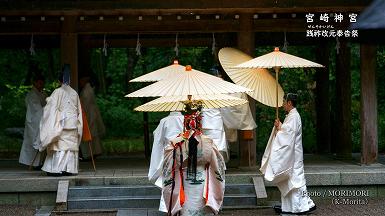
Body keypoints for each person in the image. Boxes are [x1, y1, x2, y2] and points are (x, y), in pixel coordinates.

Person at [161, 100, 226, 216]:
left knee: (186, 209)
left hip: (183, 184)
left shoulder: (176, 144)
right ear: (200, 121)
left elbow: (167, 171)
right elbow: (218, 170)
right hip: (202, 183)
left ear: (184, 121)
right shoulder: (208, 143)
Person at [260, 93, 316, 214]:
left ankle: (298, 207)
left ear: (289, 103)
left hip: (293, 155)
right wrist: (280, 127)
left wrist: (280, 127)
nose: (283, 104)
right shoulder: (291, 116)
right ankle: (296, 206)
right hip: (293, 154)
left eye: (284, 102)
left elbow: (288, 134)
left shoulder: (294, 116)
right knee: (294, 180)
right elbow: (287, 132)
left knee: (295, 180)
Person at [38, 64, 83, 176]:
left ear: (59, 80)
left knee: (60, 148)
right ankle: (68, 169)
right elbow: (78, 112)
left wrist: (48, 102)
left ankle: (56, 169)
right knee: (68, 148)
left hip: (61, 125)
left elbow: (51, 109)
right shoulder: (74, 93)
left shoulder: (57, 92)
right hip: (72, 124)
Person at [19, 75, 47, 168]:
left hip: (41, 119)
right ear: (34, 83)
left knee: (41, 141)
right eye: (39, 82)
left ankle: (39, 163)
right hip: (33, 121)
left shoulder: (43, 93)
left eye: (42, 83)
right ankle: (33, 163)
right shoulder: (32, 94)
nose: (41, 84)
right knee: (33, 142)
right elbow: (37, 109)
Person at [79, 76, 105, 160]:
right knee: (92, 135)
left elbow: (85, 105)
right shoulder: (87, 90)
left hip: (88, 114)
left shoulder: (86, 91)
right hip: (90, 114)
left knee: (89, 135)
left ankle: (89, 154)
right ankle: (92, 153)